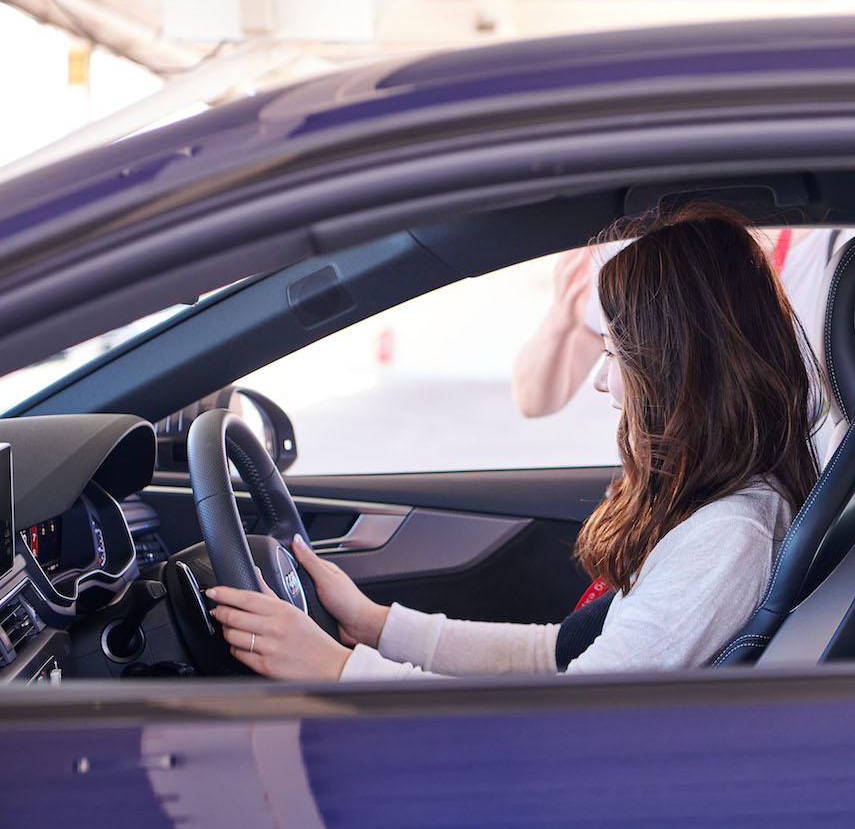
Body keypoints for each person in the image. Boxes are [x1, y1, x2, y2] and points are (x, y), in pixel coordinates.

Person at [206, 205, 821, 680]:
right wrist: (376, 626)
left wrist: (336, 671)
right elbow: (557, 657)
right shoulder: (714, 509)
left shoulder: (726, 537)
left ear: (679, 368)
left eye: (614, 353)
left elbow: (560, 724)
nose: (604, 382)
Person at [512, 227, 842, 422]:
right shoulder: (632, 251)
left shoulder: (833, 254)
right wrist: (562, 318)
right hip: (667, 491)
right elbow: (535, 400)